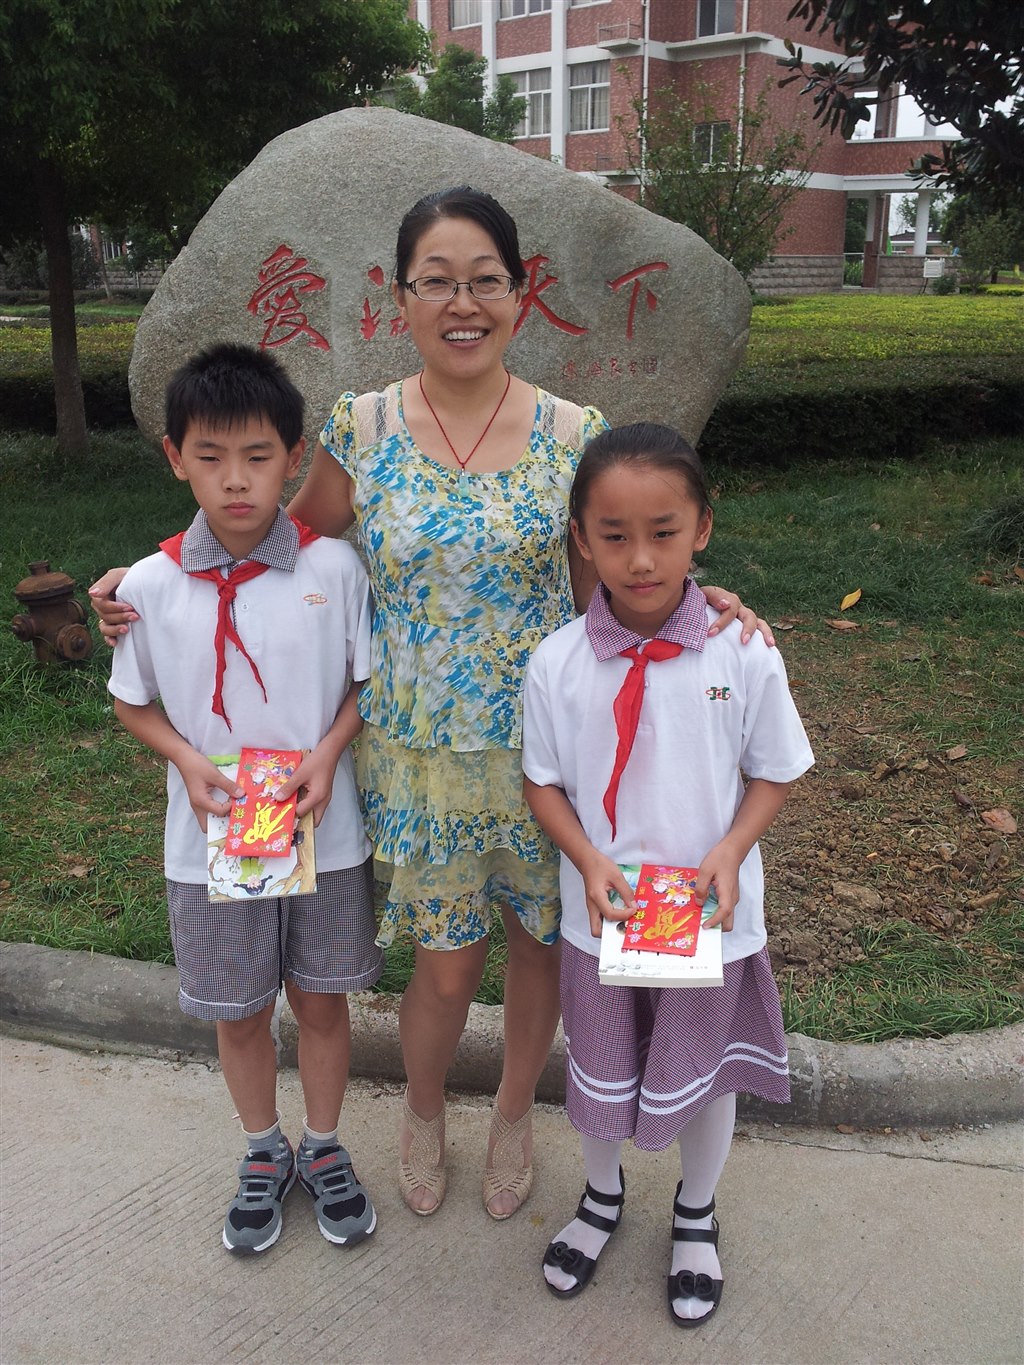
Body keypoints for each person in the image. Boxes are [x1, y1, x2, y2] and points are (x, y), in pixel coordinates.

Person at [92, 187, 770, 1222]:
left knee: (542, 954)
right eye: (437, 282)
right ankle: (421, 1109)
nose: (463, 303)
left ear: (520, 293)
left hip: (551, 754)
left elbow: (611, 577)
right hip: (415, 757)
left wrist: (701, 608)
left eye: (485, 281)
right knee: (446, 973)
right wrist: (147, 578)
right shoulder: (361, 428)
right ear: (400, 297)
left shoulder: (570, 433)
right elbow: (277, 541)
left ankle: (512, 1113)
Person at [521, 422, 813, 1325]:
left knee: (705, 1071)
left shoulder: (743, 650)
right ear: (581, 537)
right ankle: (601, 1195)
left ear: (702, 529)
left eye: (664, 532)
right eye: (614, 535)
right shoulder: (557, 662)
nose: (641, 558)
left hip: (709, 918)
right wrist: (586, 858)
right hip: (603, 917)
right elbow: (542, 782)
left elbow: (775, 770)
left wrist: (731, 848)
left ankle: (696, 1211)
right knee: (600, 1068)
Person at [107, 343, 382, 1255]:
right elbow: (131, 700)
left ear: (294, 457)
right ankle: (264, 1148)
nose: (236, 479)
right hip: (211, 842)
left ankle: (325, 1144)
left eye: (258, 456)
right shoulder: (150, 586)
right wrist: (186, 759)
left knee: (323, 1000)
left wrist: (330, 755)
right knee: (238, 1009)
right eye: (211, 456)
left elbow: (366, 685)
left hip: (322, 833)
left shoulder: (333, 570)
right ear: (174, 456)